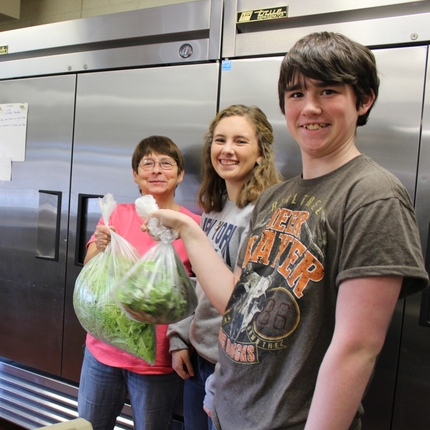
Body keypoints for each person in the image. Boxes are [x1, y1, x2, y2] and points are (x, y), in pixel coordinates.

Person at [142, 32, 429, 430]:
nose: (310, 107)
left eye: (328, 91)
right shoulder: (275, 198)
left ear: (363, 100)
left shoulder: (373, 197)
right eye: (296, 94)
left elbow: (357, 349)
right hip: (227, 412)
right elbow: (236, 303)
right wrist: (187, 230)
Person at [166, 104, 283, 429]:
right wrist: (180, 337)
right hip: (201, 356)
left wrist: (220, 384)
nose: (227, 150)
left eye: (240, 141)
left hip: (235, 371)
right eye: (220, 140)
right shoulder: (216, 210)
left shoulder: (265, 215)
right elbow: (200, 282)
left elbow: (255, 311)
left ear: (261, 153)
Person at [77, 135, 201, 430]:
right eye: (147, 164)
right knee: (88, 426)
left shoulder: (194, 224)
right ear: (136, 174)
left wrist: (181, 342)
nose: (156, 170)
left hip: (157, 359)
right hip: (102, 351)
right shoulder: (117, 215)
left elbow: (201, 290)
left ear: (180, 174)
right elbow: (89, 266)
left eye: (166, 164)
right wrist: (102, 245)